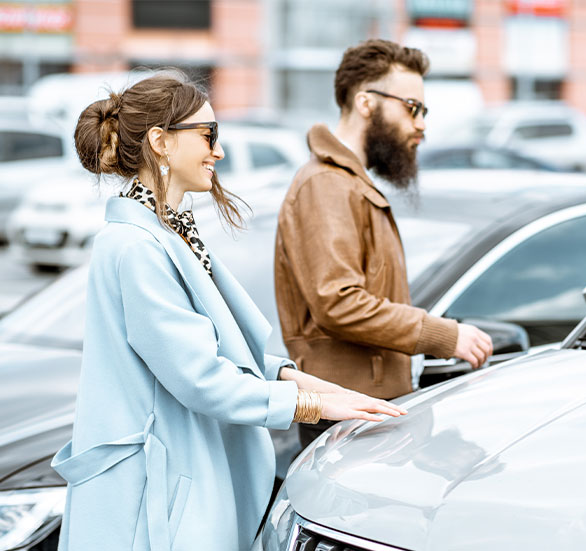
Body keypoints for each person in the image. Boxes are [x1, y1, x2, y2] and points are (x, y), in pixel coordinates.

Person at [50, 72, 405, 551]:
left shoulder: (171, 232)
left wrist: (322, 390)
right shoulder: (136, 246)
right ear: (160, 142)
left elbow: (234, 353)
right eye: (207, 135)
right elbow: (201, 378)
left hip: (178, 482)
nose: (218, 150)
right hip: (151, 502)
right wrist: (314, 406)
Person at [274, 39, 493, 449]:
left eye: (423, 111)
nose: (422, 124)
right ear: (366, 103)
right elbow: (338, 303)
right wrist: (445, 336)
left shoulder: (348, 182)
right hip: (347, 414)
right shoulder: (326, 184)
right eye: (413, 107)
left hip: (365, 409)